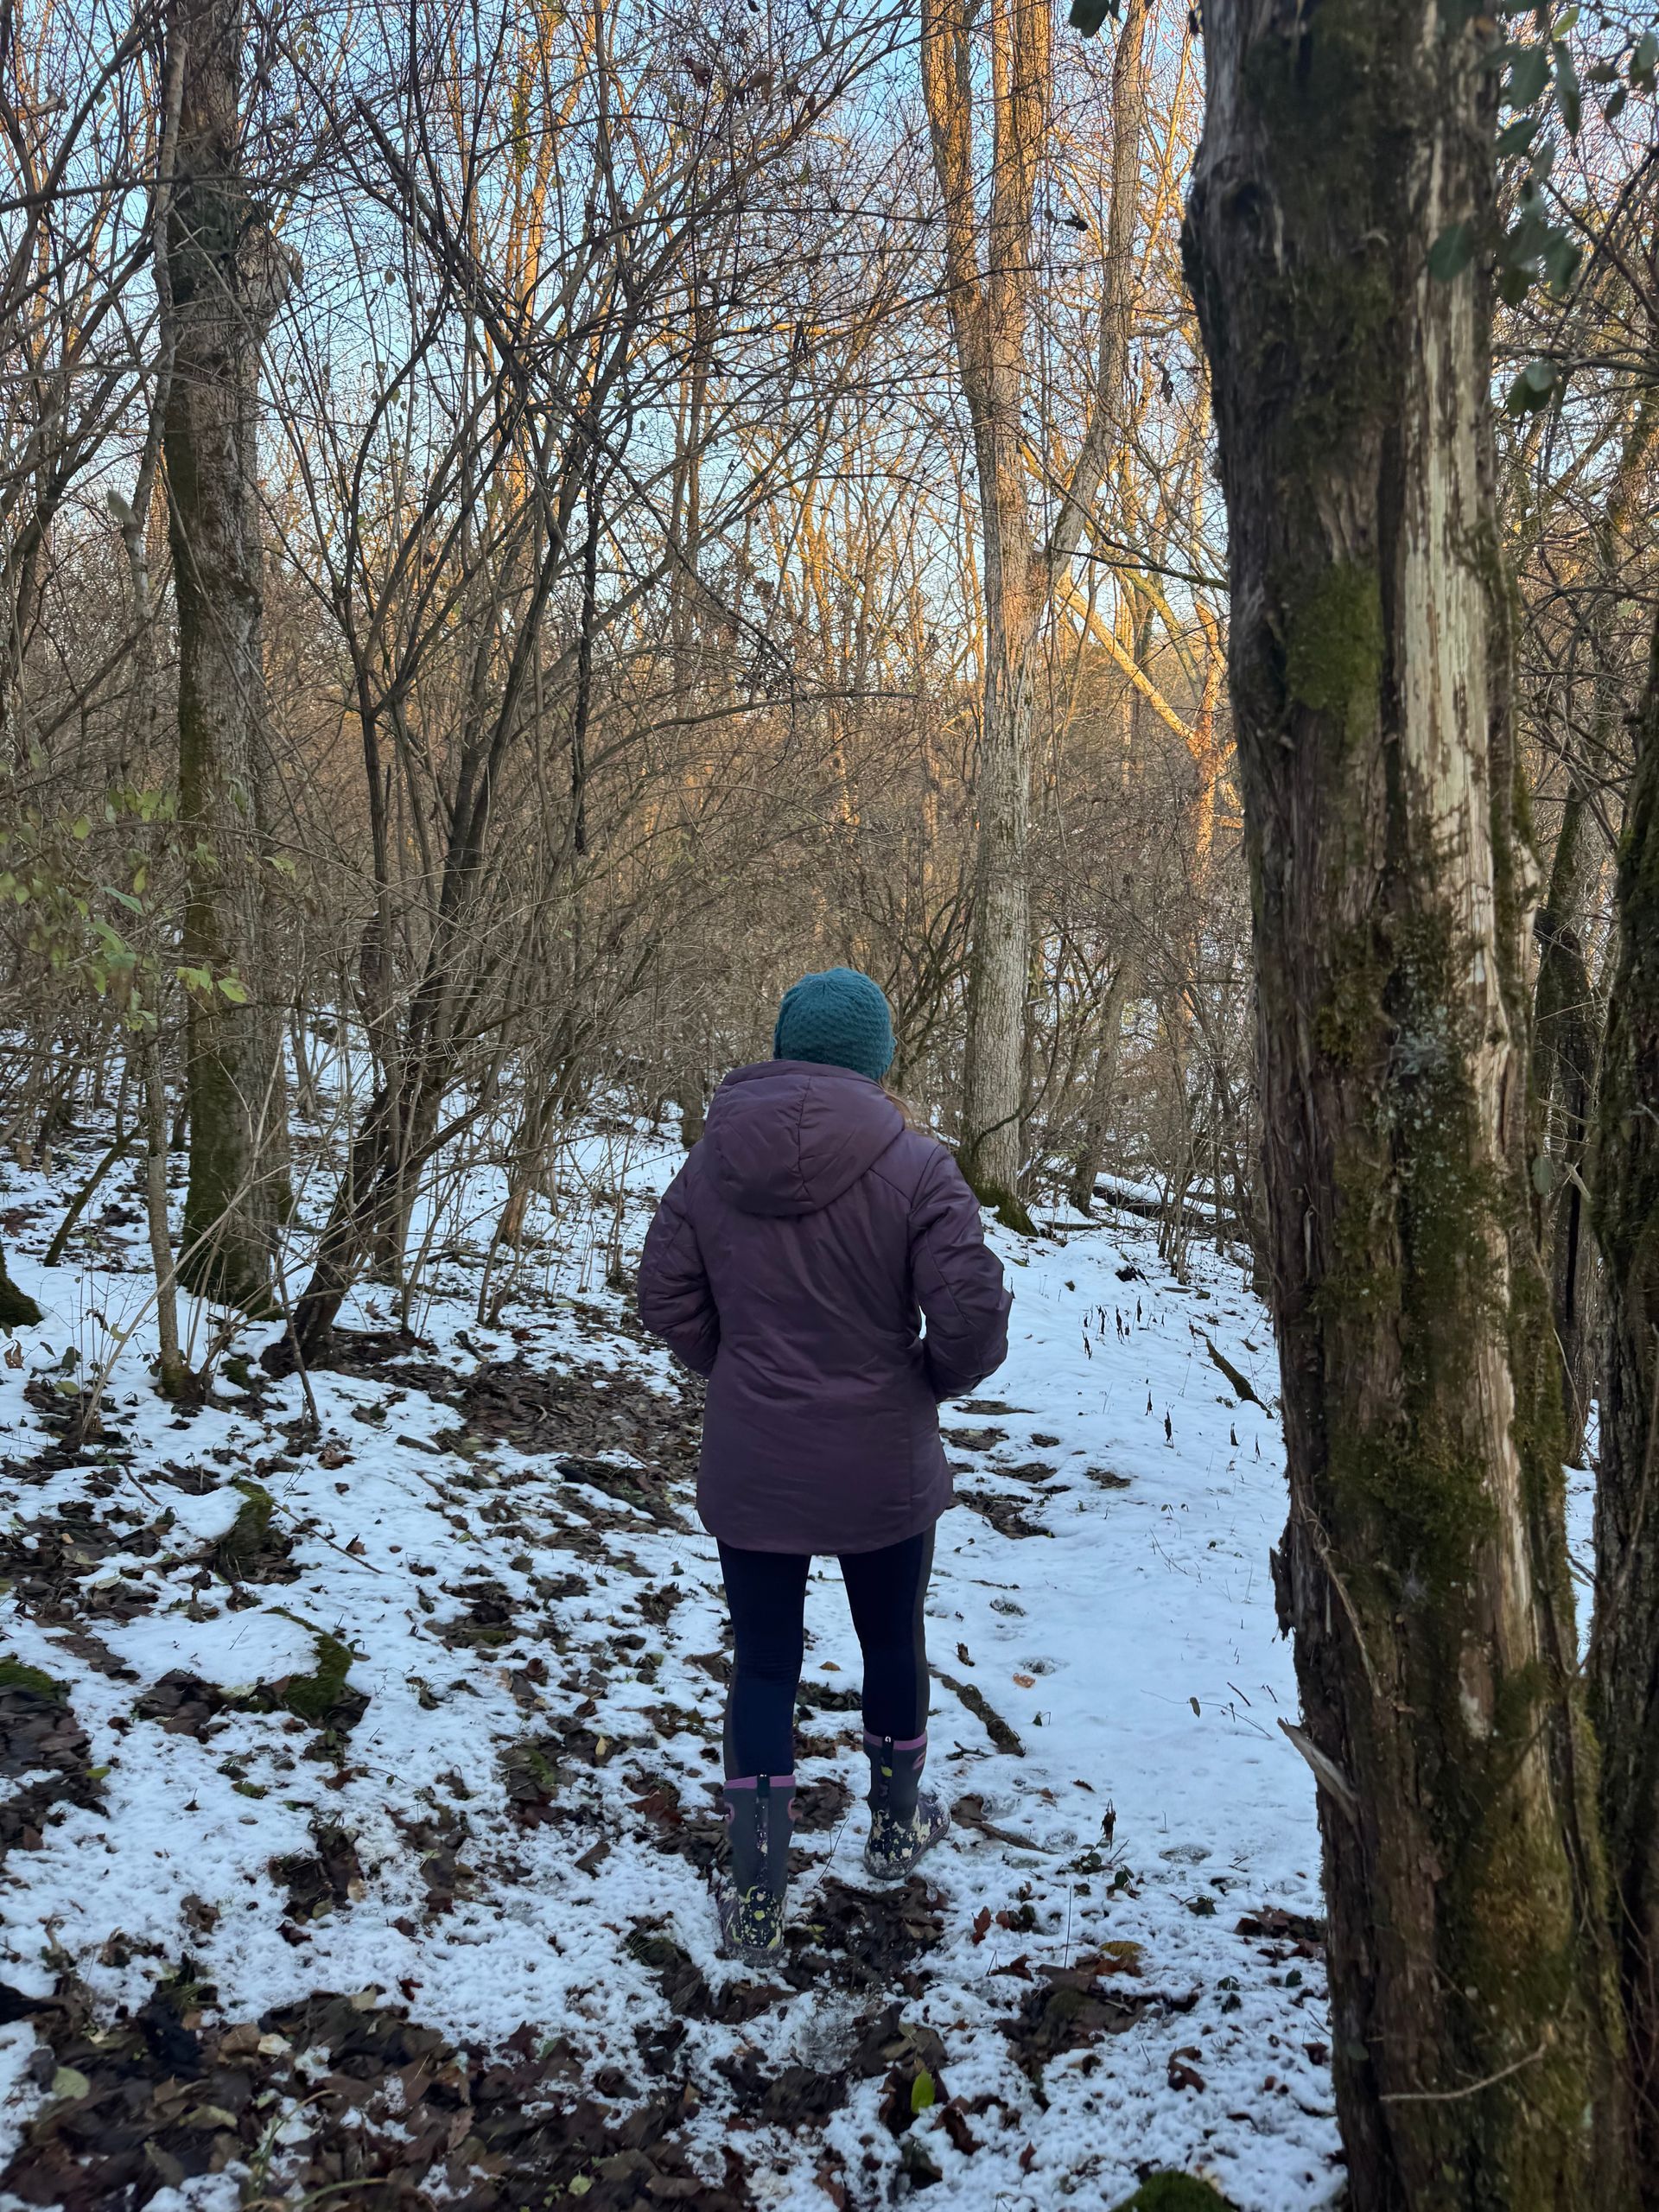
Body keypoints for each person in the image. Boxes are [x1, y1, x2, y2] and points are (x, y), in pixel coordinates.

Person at [638, 967, 1011, 1964]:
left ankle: (758, 1893)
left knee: (764, 1662)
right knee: (892, 1641)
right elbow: (974, 1316)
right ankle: (894, 1830)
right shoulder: (918, 1167)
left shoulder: (714, 1160)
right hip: (882, 1462)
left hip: (756, 1460)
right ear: (876, 1060)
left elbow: (664, 1295)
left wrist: (742, 1372)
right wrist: (922, 1381)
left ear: (785, 1047)